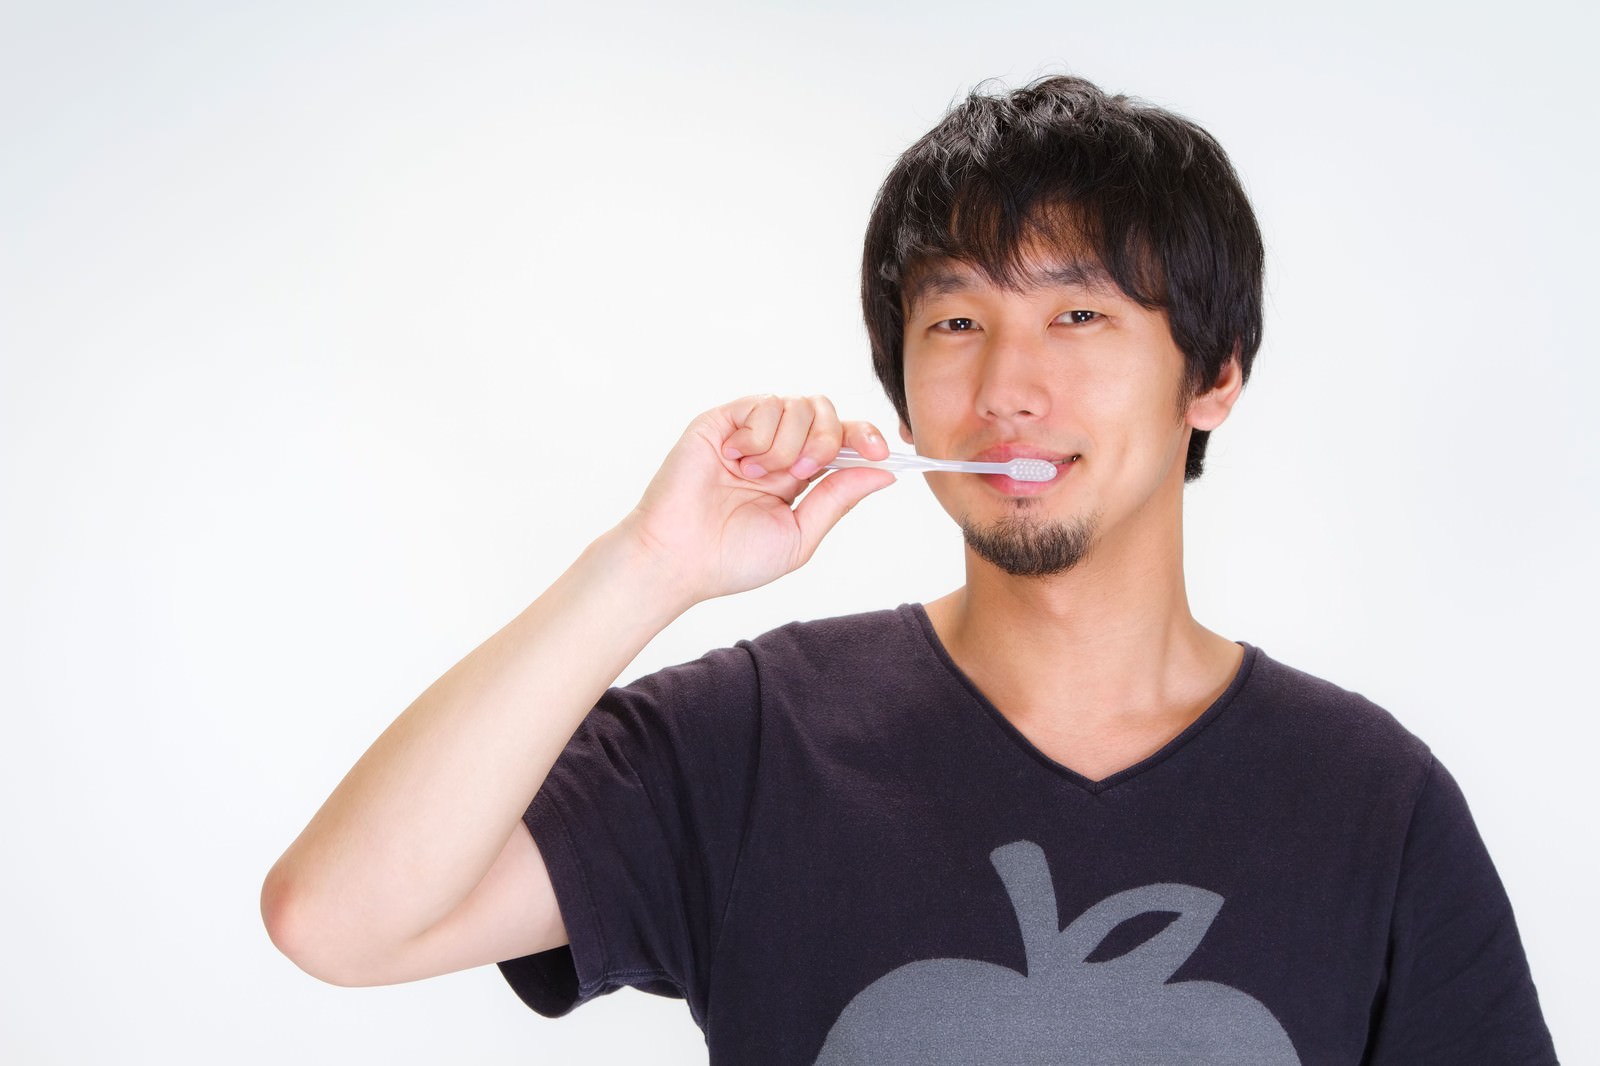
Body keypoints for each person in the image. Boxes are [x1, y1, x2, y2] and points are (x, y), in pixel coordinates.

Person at [261, 75, 1556, 1063]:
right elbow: (337, 917)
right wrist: (649, 564)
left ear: (1212, 376)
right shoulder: (756, 742)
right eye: (956, 320)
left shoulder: (1371, 803)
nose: (1007, 386)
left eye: (1079, 314)